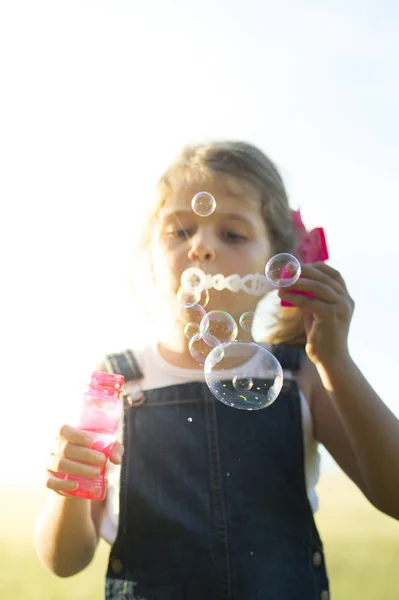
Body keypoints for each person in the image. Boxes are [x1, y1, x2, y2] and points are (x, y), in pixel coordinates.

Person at [34, 141, 399, 600]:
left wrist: (336, 362)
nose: (202, 247)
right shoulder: (119, 379)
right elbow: (65, 562)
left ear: (278, 267)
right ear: (150, 255)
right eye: (181, 230)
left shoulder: (302, 374)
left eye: (232, 234)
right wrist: (69, 488)